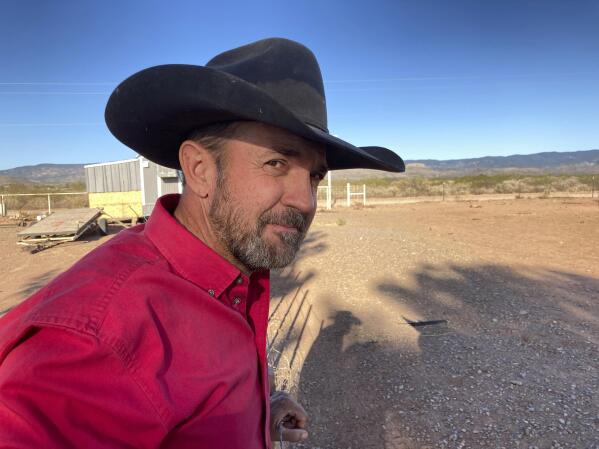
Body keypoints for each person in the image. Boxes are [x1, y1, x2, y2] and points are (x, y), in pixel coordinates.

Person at [0, 38, 404, 448]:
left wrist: (257, 412)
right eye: (277, 162)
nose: (305, 200)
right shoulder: (99, 337)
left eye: (314, 175)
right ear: (199, 170)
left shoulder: (234, 267)